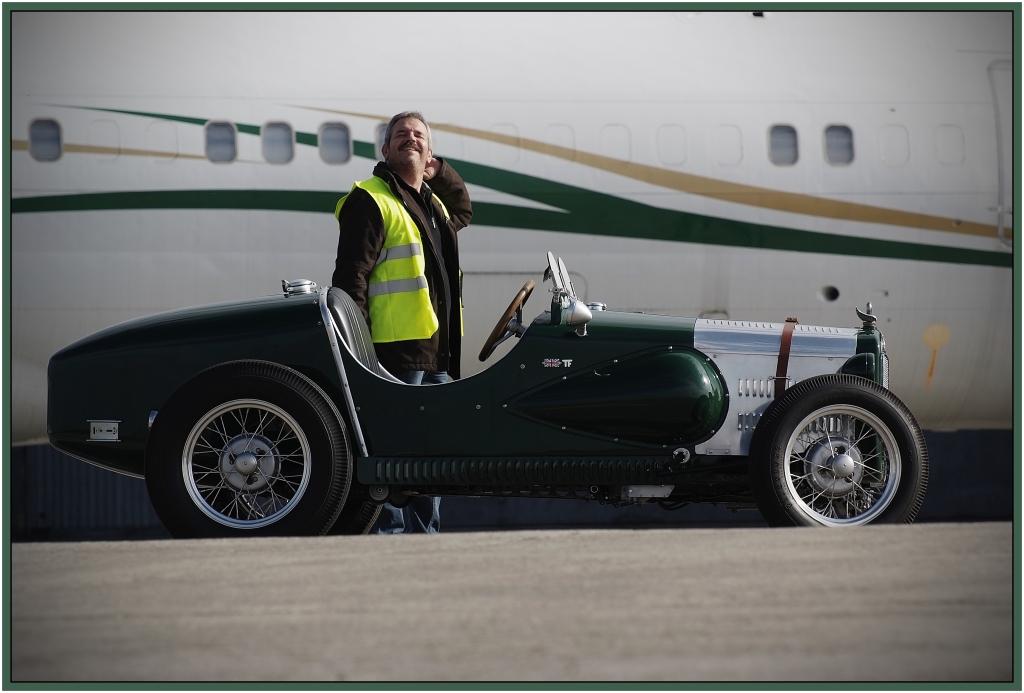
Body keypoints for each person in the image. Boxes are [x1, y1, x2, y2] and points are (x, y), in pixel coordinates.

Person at [332, 111, 472, 534]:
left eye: (419, 136)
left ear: (429, 152)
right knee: (391, 446)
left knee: (432, 450)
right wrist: (356, 347)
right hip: (394, 351)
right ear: (386, 150)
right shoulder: (371, 199)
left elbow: (464, 208)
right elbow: (350, 277)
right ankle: (388, 535)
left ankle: (425, 535)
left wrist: (439, 171)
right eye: (400, 135)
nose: (409, 139)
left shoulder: (434, 203)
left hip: (437, 353)